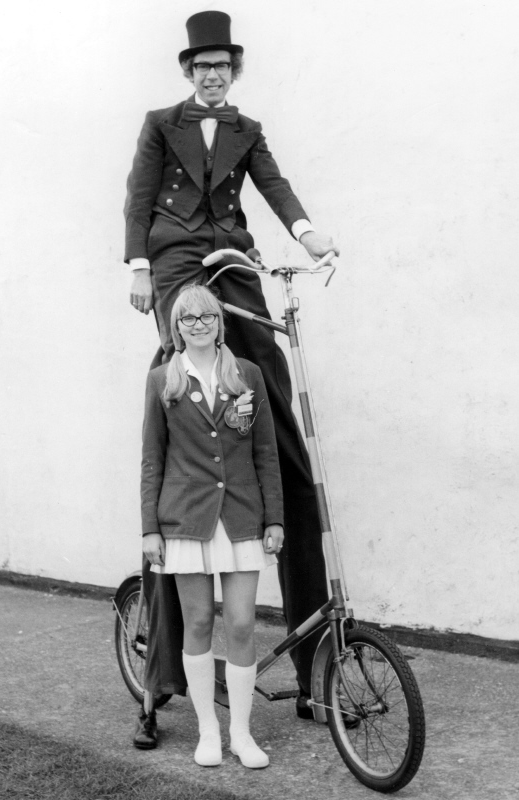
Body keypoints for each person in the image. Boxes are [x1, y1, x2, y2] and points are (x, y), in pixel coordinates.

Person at [125, 10, 338, 716]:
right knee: (186, 364)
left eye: (223, 67)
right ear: (188, 72)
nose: (212, 76)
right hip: (177, 251)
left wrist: (309, 235)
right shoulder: (162, 122)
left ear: (233, 72)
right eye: (201, 67)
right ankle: (170, 664)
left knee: (263, 361)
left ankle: (317, 668)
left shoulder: (247, 130)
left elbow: (274, 188)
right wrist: (137, 266)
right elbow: (138, 195)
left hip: (231, 251)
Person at [134, 284, 284, 768]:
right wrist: (150, 528)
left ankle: (242, 733)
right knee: (198, 621)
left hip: (242, 515)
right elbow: (152, 459)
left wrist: (275, 517)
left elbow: (265, 451)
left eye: (206, 317)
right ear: (176, 329)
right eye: (187, 319)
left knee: (241, 623)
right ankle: (208, 731)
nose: (198, 325)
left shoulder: (250, 376)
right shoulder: (162, 380)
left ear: (220, 323)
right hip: (185, 519)